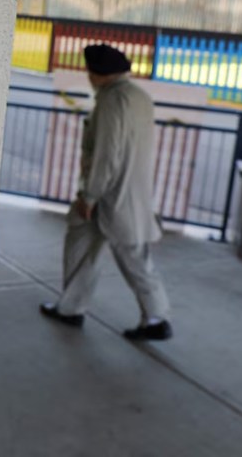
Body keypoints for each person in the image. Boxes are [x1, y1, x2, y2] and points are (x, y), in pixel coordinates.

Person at [40, 43, 173, 341]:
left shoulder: (112, 101)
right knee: (104, 249)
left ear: (98, 74)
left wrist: (90, 195)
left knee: (118, 255)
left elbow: (107, 153)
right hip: (130, 194)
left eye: (89, 71)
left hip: (109, 197)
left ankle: (155, 318)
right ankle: (72, 308)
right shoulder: (139, 96)